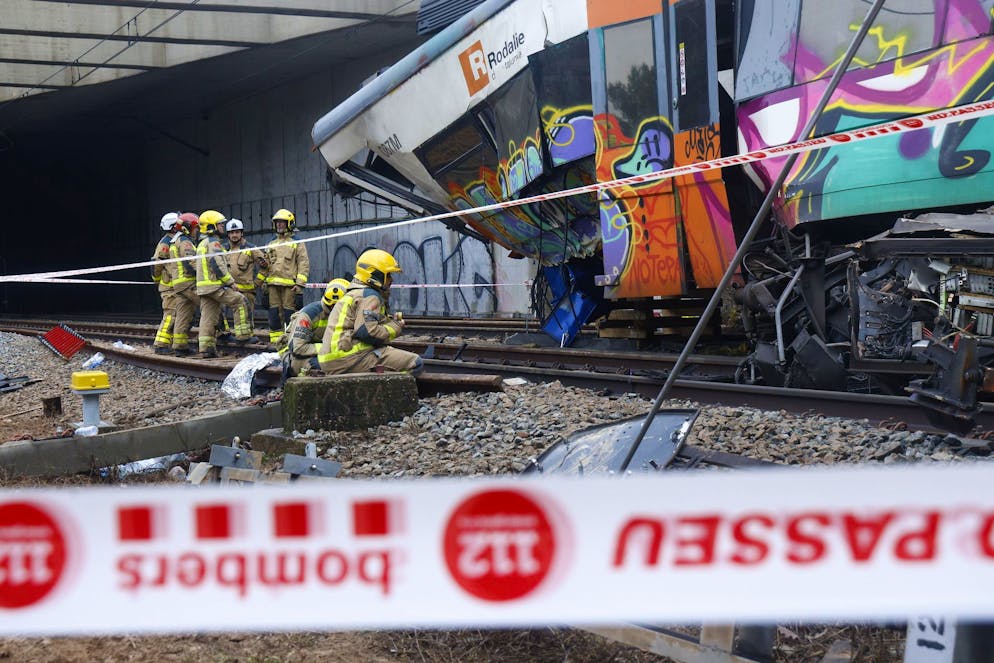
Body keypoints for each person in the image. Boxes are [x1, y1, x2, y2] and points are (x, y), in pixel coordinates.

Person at [316, 249, 423, 375]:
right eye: (388, 275)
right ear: (375, 274)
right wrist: (396, 326)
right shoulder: (369, 296)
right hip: (347, 358)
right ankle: (390, 393)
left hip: (331, 359)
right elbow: (367, 332)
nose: (391, 280)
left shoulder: (354, 292)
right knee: (415, 362)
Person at [194, 210, 256, 358]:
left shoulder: (202, 243)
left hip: (204, 288)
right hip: (215, 286)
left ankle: (206, 348)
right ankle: (243, 336)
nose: (223, 227)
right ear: (211, 226)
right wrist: (230, 282)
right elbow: (217, 264)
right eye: (220, 224)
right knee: (240, 301)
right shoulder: (214, 243)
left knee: (208, 316)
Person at [279, 278, 350, 378]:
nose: (336, 310)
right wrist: (329, 348)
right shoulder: (309, 315)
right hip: (297, 357)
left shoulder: (348, 313)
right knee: (324, 366)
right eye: (333, 306)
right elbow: (298, 348)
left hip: (326, 354)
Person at [259, 208, 309, 345]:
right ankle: (276, 343)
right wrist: (263, 284)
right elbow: (266, 265)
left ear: (289, 224)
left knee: (290, 315)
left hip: (290, 287)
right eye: (277, 222)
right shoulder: (270, 243)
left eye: (282, 222)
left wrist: (299, 284)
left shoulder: (297, 242)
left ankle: (292, 341)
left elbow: (303, 263)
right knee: (274, 315)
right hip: (272, 286)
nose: (279, 225)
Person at [222, 218, 268, 334]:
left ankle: (246, 338)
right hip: (227, 291)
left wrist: (257, 283)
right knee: (221, 315)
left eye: (237, 232)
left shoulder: (250, 248)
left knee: (246, 319)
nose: (234, 235)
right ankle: (224, 335)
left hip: (246, 291)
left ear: (242, 233)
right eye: (232, 233)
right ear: (228, 234)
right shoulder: (222, 249)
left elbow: (266, 266)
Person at [169, 213, 201, 356]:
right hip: (188, 282)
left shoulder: (175, 241)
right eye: (196, 228)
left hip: (179, 284)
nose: (197, 231)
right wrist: (202, 273)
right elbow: (190, 263)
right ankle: (220, 335)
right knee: (210, 305)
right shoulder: (185, 242)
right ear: (187, 228)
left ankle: (180, 346)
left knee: (183, 314)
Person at [152, 212, 180, 355]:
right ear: (173, 226)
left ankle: (174, 344)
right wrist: (157, 280)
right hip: (168, 286)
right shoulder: (165, 243)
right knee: (170, 315)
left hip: (174, 285)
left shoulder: (175, 240)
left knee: (177, 314)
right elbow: (156, 264)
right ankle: (160, 344)